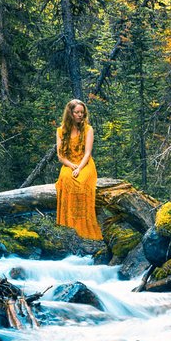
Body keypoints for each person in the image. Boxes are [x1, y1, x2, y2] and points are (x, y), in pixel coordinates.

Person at [55, 99, 103, 240]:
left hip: (85, 164)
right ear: (70, 113)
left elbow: (88, 153)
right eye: (77, 112)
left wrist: (79, 168)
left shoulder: (88, 129)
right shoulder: (61, 131)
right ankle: (69, 226)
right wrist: (71, 166)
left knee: (81, 181)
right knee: (66, 179)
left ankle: (83, 227)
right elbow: (60, 156)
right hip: (69, 163)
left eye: (82, 112)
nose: (80, 115)